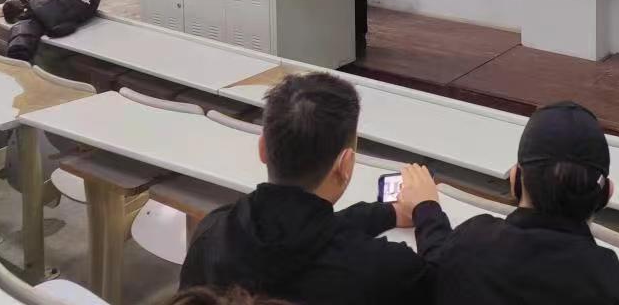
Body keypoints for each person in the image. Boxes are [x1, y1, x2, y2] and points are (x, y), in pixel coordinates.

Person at [180, 72, 451, 305]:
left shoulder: (212, 232)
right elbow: (448, 286)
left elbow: (305, 231)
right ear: (345, 165)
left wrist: (387, 213)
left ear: (262, 148)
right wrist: (428, 210)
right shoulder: (379, 268)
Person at [435, 101, 619, 305]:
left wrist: (427, 211)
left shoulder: (468, 245)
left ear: (515, 180)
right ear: (605, 195)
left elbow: (437, 264)